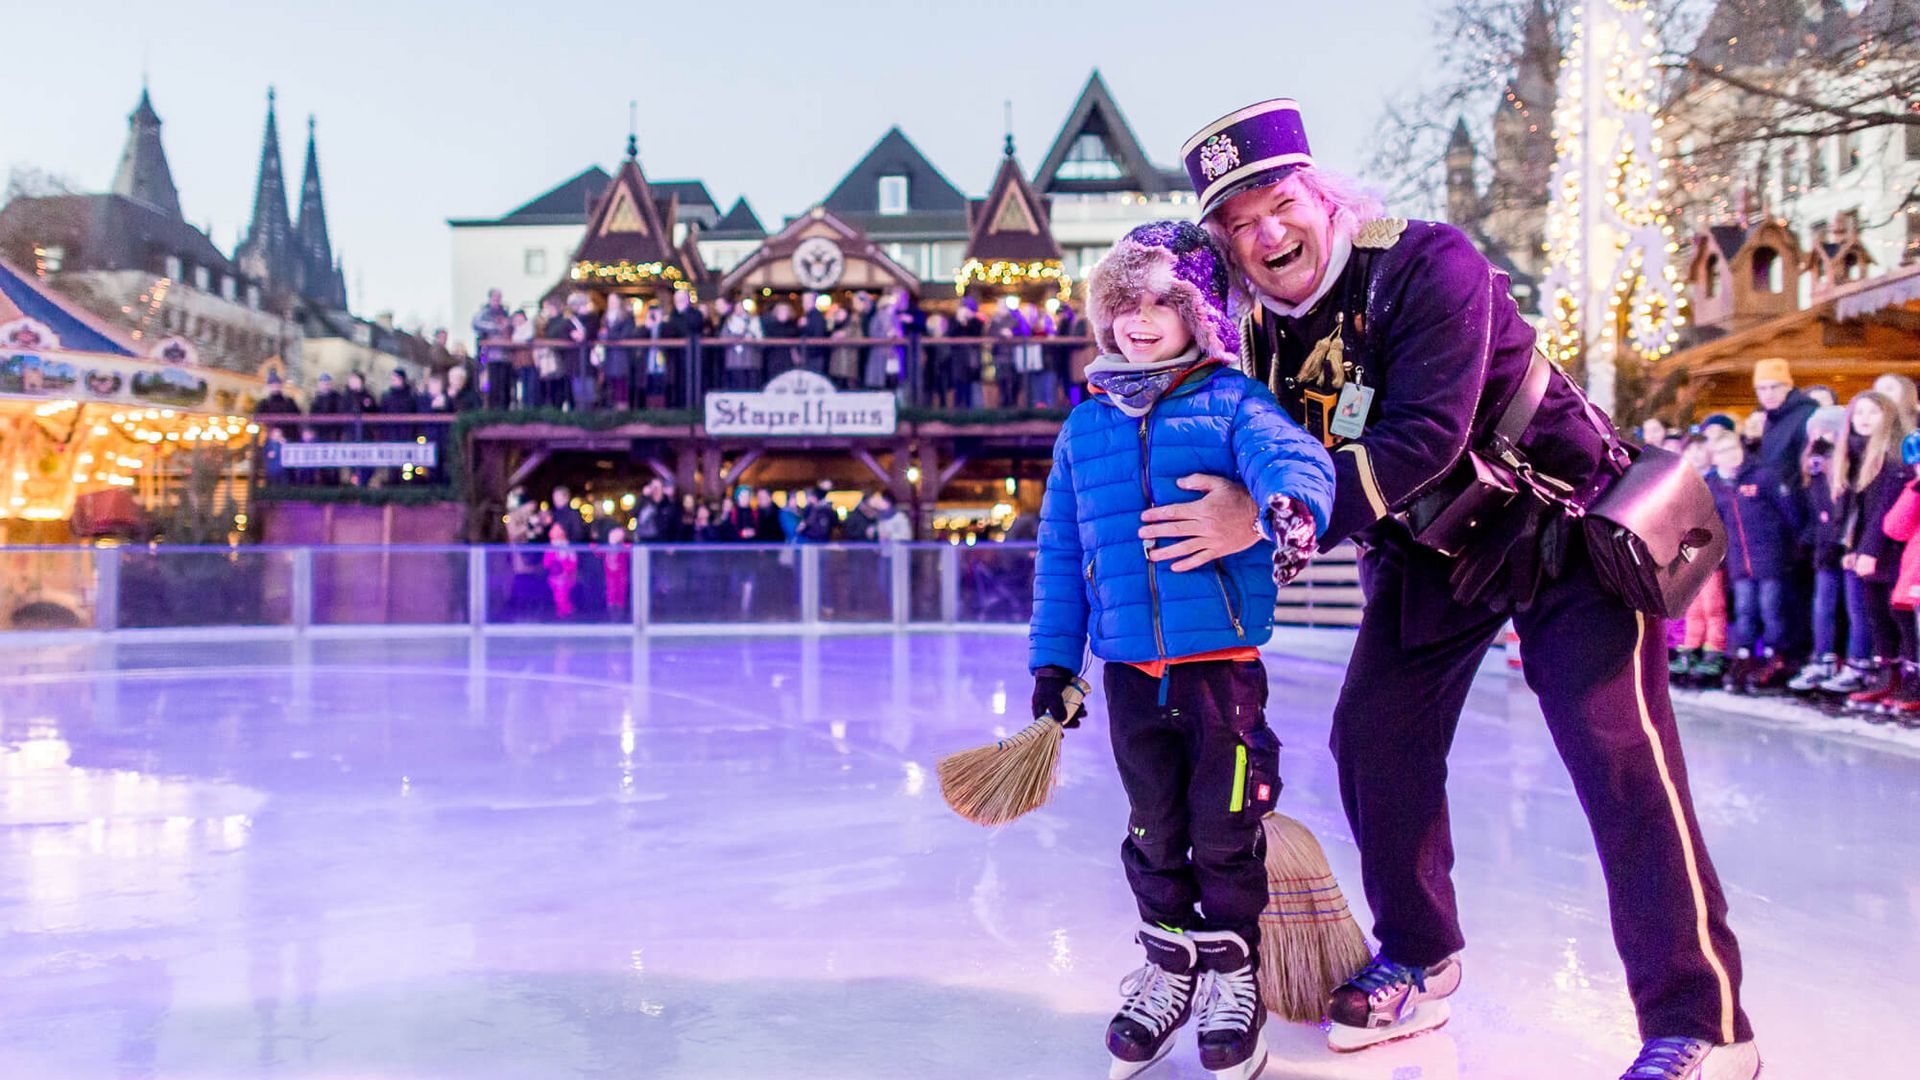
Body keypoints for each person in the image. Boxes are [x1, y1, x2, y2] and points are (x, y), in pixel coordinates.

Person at [1143, 100, 1758, 1074]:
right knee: (1374, 740)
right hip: (1430, 562)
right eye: (1237, 222)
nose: (1266, 233)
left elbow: (1421, 440)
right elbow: (1252, 461)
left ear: (1319, 192)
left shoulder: (1426, 262)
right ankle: (1422, 959)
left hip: (1564, 535)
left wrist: (1263, 516)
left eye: (1278, 201)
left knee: (1618, 765)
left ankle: (1703, 1024)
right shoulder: (1258, 337)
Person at [1027, 220, 1333, 1080]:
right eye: (1124, 303)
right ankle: (1169, 967)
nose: (1140, 319)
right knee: (1153, 829)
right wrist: (1055, 663)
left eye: (1164, 301)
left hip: (1221, 669)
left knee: (1224, 829)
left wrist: (1289, 507)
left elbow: (1289, 455)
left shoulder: (1233, 401)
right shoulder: (1084, 430)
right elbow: (1060, 553)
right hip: (1128, 672)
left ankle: (1234, 976)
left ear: (1201, 313)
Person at [1705, 429, 1802, 692]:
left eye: (1733, 450)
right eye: (1722, 452)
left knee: (1772, 609)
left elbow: (1789, 514)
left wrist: (1793, 547)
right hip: (1739, 561)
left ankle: (1776, 656)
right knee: (1745, 611)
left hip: (1770, 558)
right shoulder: (1715, 486)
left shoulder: (1762, 476)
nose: (1729, 457)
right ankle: (1745, 656)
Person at [1831, 391, 1910, 712]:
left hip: (1891, 552)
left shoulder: (1892, 459)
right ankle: (1886, 673)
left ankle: (1909, 676)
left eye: (1872, 413)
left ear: (1887, 417)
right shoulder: (1853, 456)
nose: (1863, 418)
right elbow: (1856, 511)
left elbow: (1884, 511)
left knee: (1898, 617)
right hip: (1866, 552)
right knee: (1876, 616)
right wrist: (1851, 547)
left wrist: (1869, 550)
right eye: (1858, 412)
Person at [1788, 406, 1855, 692]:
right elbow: (1817, 511)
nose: (1821, 435)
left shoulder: (1849, 463)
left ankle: (1856, 661)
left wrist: (1840, 539)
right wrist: (1812, 539)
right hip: (1825, 546)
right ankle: (1823, 657)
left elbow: (1847, 507)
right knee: (1823, 604)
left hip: (1848, 544)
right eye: (1816, 430)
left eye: (1827, 430)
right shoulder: (1813, 465)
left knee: (1855, 608)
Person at [1671, 433, 1729, 686]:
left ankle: (1713, 649)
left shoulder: (1718, 483)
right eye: (1691, 450)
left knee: (1713, 606)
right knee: (1692, 607)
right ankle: (1690, 648)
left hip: (1713, 555)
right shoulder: (1681, 483)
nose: (1696, 455)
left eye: (1701, 449)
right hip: (1689, 555)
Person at [474, 289, 514, 410]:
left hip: (506, 356)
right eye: (495, 298)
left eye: (499, 298)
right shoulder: (484, 313)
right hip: (490, 356)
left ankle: (505, 410)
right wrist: (496, 327)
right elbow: (476, 324)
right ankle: (492, 410)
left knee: (505, 385)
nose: (497, 300)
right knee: (492, 385)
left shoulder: (505, 313)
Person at [599, 297, 637, 409]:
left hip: (621, 357)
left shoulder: (627, 318)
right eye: (610, 301)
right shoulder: (605, 318)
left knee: (621, 386)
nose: (612, 303)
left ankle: (622, 412)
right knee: (611, 386)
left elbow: (625, 335)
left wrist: (607, 335)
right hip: (609, 357)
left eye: (614, 301)